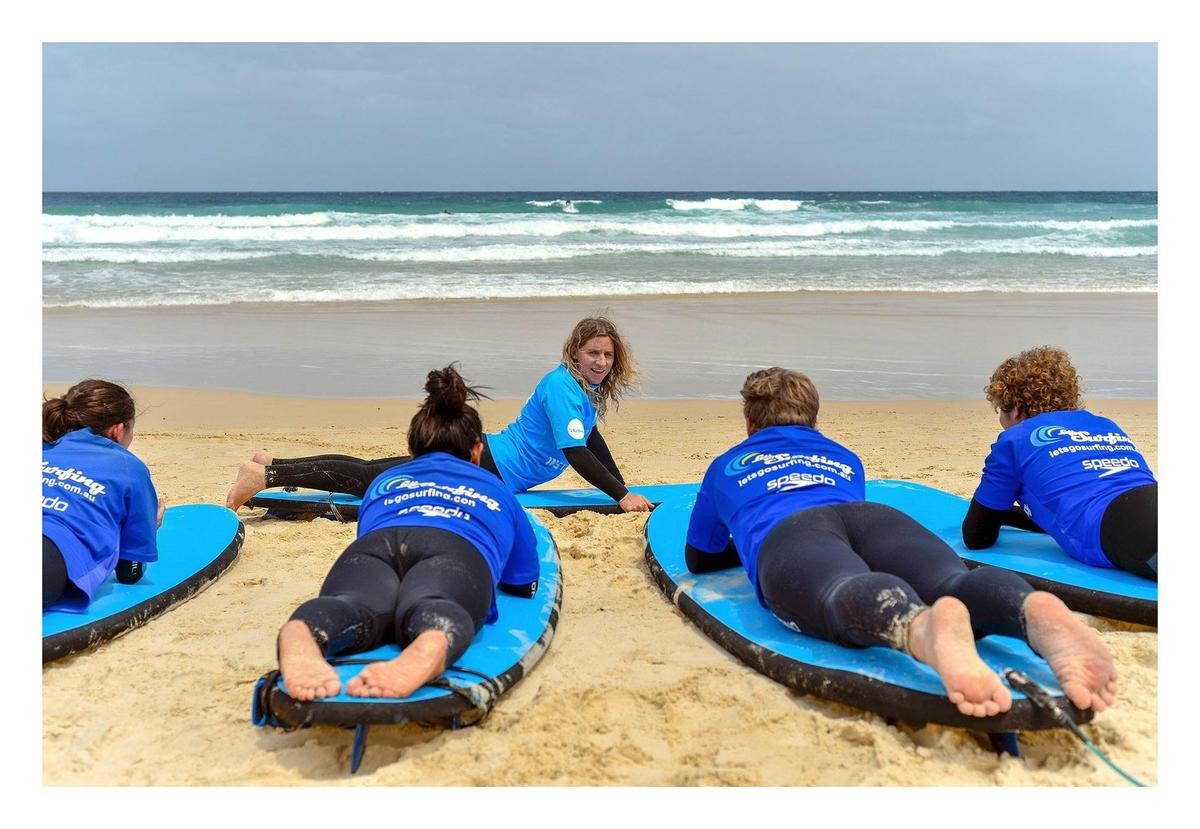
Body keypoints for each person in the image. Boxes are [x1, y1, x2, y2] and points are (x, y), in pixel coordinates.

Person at [685, 367, 1118, 718]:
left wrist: (753, 550)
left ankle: (921, 627)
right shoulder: (842, 456)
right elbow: (848, 535)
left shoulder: (727, 465)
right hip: (875, 519)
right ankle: (1029, 610)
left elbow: (700, 558)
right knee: (949, 579)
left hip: (794, 534)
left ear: (748, 423)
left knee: (837, 589)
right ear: (815, 420)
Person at [277, 366, 540, 700]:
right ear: (477, 452)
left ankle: (305, 631)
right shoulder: (496, 488)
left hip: (375, 546)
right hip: (454, 550)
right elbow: (523, 581)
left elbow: (366, 531)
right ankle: (426, 648)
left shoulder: (383, 482)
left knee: (353, 606)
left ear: (411, 451)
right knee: (437, 606)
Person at [225, 316, 653, 514]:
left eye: (607, 355)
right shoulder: (562, 386)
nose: (600, 361)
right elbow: (576, 453)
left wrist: (622, 486)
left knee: (376, 471)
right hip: (489, 466)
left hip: (491, 460)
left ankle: (272, 465)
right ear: (574, 352)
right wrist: (620, 496)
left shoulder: (584, 390)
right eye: (593, 352)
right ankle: (266, 477)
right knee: (373, 479)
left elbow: (592, 440)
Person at [962, 346, 1157, 581]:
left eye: (1000, 410)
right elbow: (1061, 512)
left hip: (1122, 527)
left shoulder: (1015, 439)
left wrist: (1001, 512)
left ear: (1015, 409)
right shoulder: (1106, 425)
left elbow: (976, 537)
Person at [43, 380, 165, 609]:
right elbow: (130, 572)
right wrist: (151, 527)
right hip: (52, 549)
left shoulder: (43, 446)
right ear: (118, 430)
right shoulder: (129, 467)